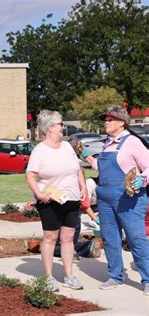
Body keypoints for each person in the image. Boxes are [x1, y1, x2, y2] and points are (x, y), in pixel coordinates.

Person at [82, 105, 148, 295]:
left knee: (136, 239)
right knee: (110, 239)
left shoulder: (133, 142)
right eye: (105, 119)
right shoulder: (108, 143)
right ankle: (115, 276)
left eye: (110, 119)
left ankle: (148, 279)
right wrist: (88, 157)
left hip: (130, 200)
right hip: (105, 200)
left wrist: (142, 179)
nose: (106, 122)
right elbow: (103, 169)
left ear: (122, 122)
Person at [26, 110, 87, 292]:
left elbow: (78, 170)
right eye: (60, 124)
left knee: (68, 238)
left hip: (72, 200)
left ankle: (69, 276)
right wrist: (39, 194)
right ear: (51, 127)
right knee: (51, 237)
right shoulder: (40, 150)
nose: (63, 127)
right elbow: (30, 175)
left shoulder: (67, 147)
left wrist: (82, 187)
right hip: (50, 201)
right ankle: (49, 277)